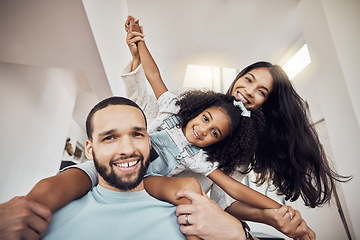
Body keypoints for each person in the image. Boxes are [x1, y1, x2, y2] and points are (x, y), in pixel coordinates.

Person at [120, 16, 351, 239]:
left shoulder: (237, 149)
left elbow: (228, 196)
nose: (249, 91)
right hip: (130, 167)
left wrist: (277, 214)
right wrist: (137, 54)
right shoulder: (189, 102)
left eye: (261, 92)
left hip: (165, 204)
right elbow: (146, 100)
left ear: (265, 104)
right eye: (249, 79)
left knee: (190, 192)